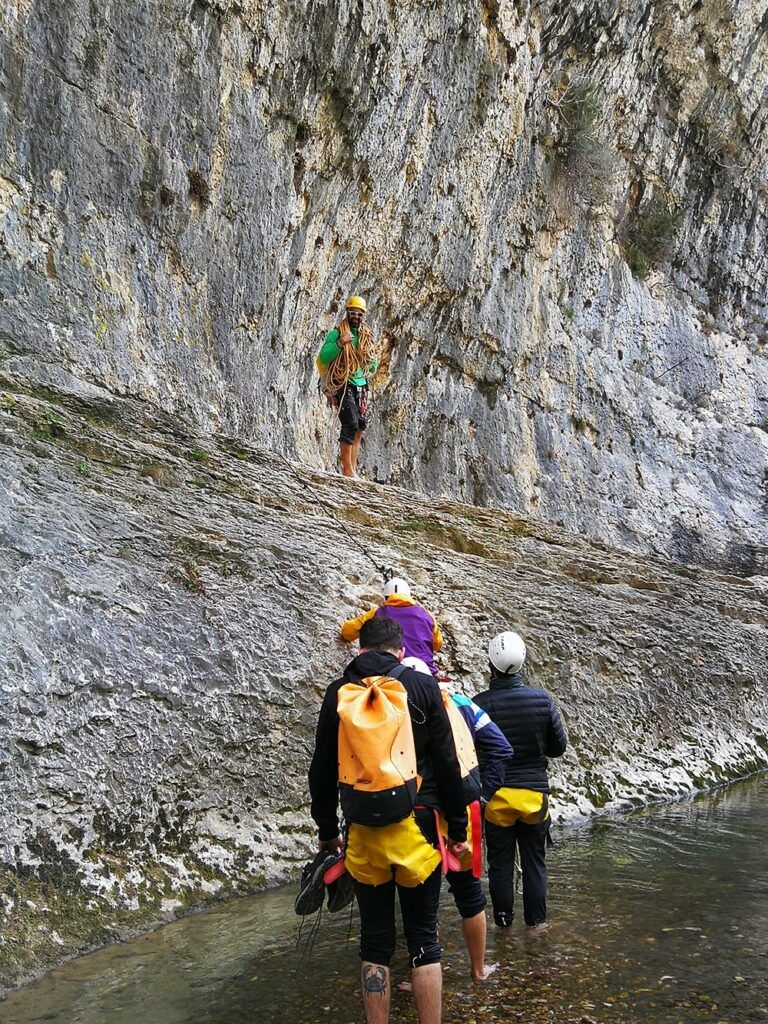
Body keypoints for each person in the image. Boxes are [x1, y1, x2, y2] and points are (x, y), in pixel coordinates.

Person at [309, 617, 468, 1024]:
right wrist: (458, 829)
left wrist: (328, 833)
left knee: (374, 941)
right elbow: (449, 764)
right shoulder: (422, 686)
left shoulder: (338, 693)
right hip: (419, 827)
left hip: (362, 831)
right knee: (423, 938)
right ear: (401, 652)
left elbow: (322, 769)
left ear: (359, 650)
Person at [401, 659, 513, 984]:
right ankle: (478, 970)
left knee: (422, 897)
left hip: (418, 814)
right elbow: (501, 748)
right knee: (468, 891)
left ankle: (418, 973)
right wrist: (483, 794)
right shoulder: (460, 702)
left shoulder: (392, 703)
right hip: (463, 809)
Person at [473, 631, 567, 935]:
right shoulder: (542, 700)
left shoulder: (479, 704)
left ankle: (503, 925)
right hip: (534, 797)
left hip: (497, 798)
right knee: (534, 862)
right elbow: (558, 747)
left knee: (500, 865)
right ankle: (536, 926)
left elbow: (472, 752)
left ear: (491, 664)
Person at [316, 295, 378, 478]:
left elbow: (371, 365)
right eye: (353, 313)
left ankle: (352, 469)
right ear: (347, 312)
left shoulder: (364, 336)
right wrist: (340, 343)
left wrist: (371, 359)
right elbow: (323, 358)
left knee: (359, 426)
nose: (356, 317)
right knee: (350, 423)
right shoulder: (337, 334)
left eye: (359, 314)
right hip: (343, 384)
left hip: (360, 384)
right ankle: (347, 470)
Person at [341, 577, 443, 676]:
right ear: (409, 596)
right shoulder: (427, 616)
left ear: (386, 597)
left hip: (386, 672)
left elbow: (347, 632)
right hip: (425, 672)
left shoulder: (377, 613)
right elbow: (437, 645)